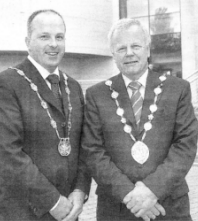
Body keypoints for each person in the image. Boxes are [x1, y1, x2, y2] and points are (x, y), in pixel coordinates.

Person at [81, 18, 198, 221]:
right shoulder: (96, 95)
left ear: (148, 49)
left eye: (135, 46)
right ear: (113, 54)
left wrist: (152, 190)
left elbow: (185, 145)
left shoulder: (177, 89)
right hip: (116, 208)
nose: (129, 53)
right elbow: (93, 151)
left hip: (168, 206)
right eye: (121, 48)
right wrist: (130, 195)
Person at [0, 9, 90, 221]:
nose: (53, 44)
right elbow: (7, 155)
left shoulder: (74, 87)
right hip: (21, 212)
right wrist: (52, 201)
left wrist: (80, 190)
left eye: (59, 37)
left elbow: (84, 146)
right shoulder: (6, 84)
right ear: (27, 41)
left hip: (68, 212)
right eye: (44, 36)